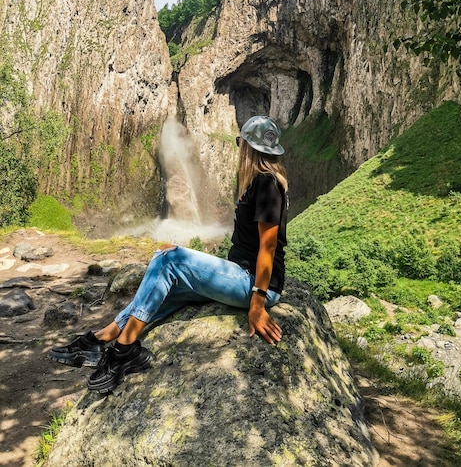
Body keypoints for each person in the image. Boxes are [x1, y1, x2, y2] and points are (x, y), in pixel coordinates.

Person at [49, 115, 289, 394]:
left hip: (255, 284)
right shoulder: (259, 182)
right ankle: (104, 338)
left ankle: (125, 350)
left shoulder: (267, 184)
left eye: (240, 145)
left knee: (167, 260)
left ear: (247, 148)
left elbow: (268, 246)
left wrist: (258, 303)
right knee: (165, 285)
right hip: (238, 275)